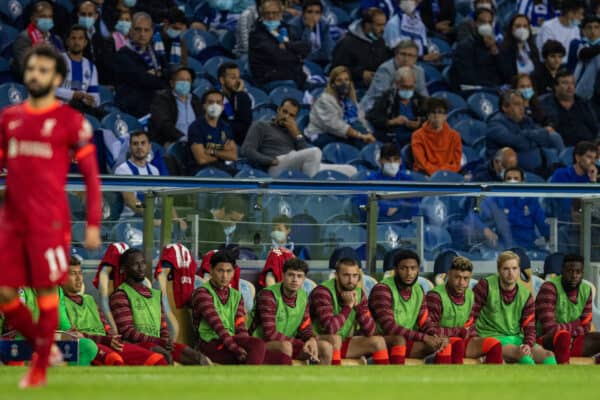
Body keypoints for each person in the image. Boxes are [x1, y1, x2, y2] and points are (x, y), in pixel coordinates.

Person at [0, 45, 102, 388]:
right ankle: (45, 346)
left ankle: (40, 367)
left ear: (57, 79)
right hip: (12, 219)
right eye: (32, 69)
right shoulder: (9, 118)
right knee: (4, 291)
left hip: (50, 221)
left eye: (44, 70)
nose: (36, 75)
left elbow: (90, 175)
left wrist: (92, 224)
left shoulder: (71, 121)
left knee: (45, 291)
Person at [109, 248, 212, 365]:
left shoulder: (155, 295)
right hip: (137, 345)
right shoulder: (121, 295)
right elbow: (127, 332)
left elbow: (163, 327)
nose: (141, 268)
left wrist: (165, 340)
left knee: (198, 358)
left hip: (158, 343)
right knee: (164, 356)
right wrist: (159, 341)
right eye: (135, 264)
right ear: (123, 269)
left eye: (143, 263)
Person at [62, 256, 169, 366]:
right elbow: (71, 335)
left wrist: (112, 337)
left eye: (80, 273)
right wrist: (105, 340)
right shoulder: (59, 301)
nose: (79, 278)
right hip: (91, 345)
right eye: (73, 274)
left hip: (109, 343)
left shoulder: (89, 299)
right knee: (115, 361)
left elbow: (106, 326)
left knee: (157, 360)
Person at [470, 251, 557, 364]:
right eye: (506, 269)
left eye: (514, 268)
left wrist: (528, 344)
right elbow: (470, 316)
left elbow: (530, 327)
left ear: (519, 270)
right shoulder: (485, 286)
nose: (511, 273)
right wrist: (476, 341)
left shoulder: (525, 295)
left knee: (548, 355)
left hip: (516, 339)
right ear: (499, 270)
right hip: (490, 338)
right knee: (521, 355)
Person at [243, 97, 357, 177]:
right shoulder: (261, 125)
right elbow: (247, 150)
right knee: (315, 152)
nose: (286, 117)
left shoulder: (294, 131)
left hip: (297, 165)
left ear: (295, 118)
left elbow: (305, 153)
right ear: (278, 110)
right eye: (284, 112)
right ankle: (309, 194)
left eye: (291, 115)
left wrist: (296, 133)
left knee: (351, 170)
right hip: (276, 166)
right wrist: (270, 161)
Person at [369, 250, 448, 364]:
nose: (409, 273)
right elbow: (390, 327)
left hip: (408, 339)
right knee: (399, 340)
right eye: (404, 268)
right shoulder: (383, 289)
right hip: (383, 340)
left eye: (413, 268)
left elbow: (424, 321)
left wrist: (435, 336)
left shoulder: (418, 290)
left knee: (443, 343)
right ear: (395, 270)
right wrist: (424, 337)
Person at [310, 253, 390, 365]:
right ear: (336, 275)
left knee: (378, 341)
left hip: (342, 341)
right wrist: (348, 307)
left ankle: (384, 380)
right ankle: (335, 378)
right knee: (335, 338)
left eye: (354, 276)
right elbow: (331, 328)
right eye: (346, 275)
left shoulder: (359, 293)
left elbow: (370, 331)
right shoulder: (323, 292)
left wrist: (358, 307)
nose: (351, 280)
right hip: (317, 341)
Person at [191, 251, 270, 364]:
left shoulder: (236, 295)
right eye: (220, 271)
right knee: (257, 346)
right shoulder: (202, 293)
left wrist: (244, 345)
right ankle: (250, 381)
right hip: (210, 345)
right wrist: (236, 349)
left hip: (231, 342)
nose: (225, 276)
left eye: (229, 271)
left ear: (234, 272)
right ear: (211, 270)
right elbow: (218, 326)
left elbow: (241, 327)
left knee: (280, 357)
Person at [424, 256, 504, 364]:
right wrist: (458, 331)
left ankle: (491, 379)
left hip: (461, 340)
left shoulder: (470, 295)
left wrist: (473, 334)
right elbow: (430, 330)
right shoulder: (435, 296)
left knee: (494, 344)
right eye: (457, 277)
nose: (461, 282)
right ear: (449, 274)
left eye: (466, 278)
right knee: (458, 344)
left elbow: (470, 325)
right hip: (440, 342)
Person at [252, 258, 333, 364]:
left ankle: (318, 380)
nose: (295, 280)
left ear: (304, 279)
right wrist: (300, 343)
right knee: (286, 347)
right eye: (291, 275)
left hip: (289, 343)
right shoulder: (268, 295)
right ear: (283, 275)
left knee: (325, 347)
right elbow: (270, 334)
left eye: (299, 276)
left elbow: (305, 328)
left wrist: (311, 340)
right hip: (261, 343)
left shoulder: (303, 297)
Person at [535, 254, 600, 364]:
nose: (574, 275)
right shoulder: (549, 288)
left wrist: (572, 332)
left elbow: (586, 326)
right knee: (562, 336)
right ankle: (564, 368)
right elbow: (549, 328)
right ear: (562, 271)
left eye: (578, 272)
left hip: (574, 341)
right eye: (570, 271)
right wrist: (575, 324)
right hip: (547, 341)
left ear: (582, 273)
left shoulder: (586, 290)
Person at [466, 167, 550, 250]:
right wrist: (484, 229)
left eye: (516, 178)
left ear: (522, 182)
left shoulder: (531, 200)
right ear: (504, 181)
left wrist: (549, 239)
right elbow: (474, 215)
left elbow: (543, 224)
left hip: (528, 247)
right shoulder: (496, 198)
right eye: (508, 178)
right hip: (503, 247)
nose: (512, 181)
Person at [485, 90, 565, 172]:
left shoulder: (525, 120)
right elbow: (518, 143)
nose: (521, 108)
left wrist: (525, 134)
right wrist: (533, 138)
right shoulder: (495, 124)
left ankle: (564, 169)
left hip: (535, 164)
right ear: (505, 107)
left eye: (522, 104)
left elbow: (543, 136)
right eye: (517, 104)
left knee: (554, 136)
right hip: (508, 169)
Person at [305, 66, 376, 149]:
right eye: (339, 80)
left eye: (346, 80)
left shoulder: (350, 100)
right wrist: (361, 135)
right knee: (354, 144)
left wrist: (367, 133)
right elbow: (335, 125)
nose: (344, 83)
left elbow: (360, 118)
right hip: (321, 133)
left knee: (366, 141)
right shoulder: (324, 100)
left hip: (342, 133)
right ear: (332, 84)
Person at [114, 12, 168, 118]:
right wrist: (157, 75)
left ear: (152, 32)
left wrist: (155, 75)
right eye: (138, 29)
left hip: (154, 103)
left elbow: (167, 74)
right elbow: (141, 79)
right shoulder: (123, 54)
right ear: (130, 30)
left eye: (146, 30)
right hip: (132, 107)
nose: (142, 34)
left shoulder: (156, 53)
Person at [248, 0, 310, 90]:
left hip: (293, 75)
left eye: (274, 13)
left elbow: (306, 47)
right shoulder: (256, 34)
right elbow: (278, 56)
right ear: (261, 14)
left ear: (281, 13)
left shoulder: (287, 28)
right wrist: (296, 54)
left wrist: (288, 46)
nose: (271, 16)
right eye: (267, 13)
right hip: (269, 79)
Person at [360, 40, 427, 113]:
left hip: (401, 107)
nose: (406, 59)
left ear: (416, 59)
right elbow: (382, 97)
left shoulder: (419, 71)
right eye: (403, 54)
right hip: (373, 108)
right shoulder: (386, 69)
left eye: (411, 55)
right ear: (396, 54)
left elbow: (424, 96)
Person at [331, 8, 391, 88]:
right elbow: (336, 69)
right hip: (352, 86)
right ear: (367, 25)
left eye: (384, 25)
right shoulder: (347, 43)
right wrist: (361, 74)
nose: (383, 29)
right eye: (379, 25)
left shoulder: (380, 41)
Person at [366, 66, 426, 146]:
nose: (408, 90)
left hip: (415, 140)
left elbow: (429, 118)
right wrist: (391, 122)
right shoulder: (387, 98)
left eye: (411, 87)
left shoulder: (419, 99)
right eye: (404, 87)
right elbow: (372, 116)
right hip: (391, 140)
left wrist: (419, 123)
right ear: (397, 84)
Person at [538, 69, 600, 147]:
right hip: (561, 147)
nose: (570, 87)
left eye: (572, 83)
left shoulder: (583, 103)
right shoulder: (545, 104)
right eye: (565, 83)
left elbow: (595, 126)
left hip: (587, 146)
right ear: (555, 86)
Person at [187, 89, 238, 175]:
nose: (215, 105)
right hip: (201, 171)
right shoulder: (196, 127)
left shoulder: (225, 126)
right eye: (211, 102)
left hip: (221, 168)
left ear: (222, 106)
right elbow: (201, 160)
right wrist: (223, 155)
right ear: (204, 106)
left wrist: (212, 152)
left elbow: (233, 156)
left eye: (218, 102)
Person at [450, 7, 503, 89]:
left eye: (489, 22)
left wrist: (495, 51)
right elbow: (468, 77)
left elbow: (504, 74)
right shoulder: (464, 47)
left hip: (493, 88)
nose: (486, 26)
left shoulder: (497, 47)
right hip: (473, 90)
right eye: (482, 22)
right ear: (474, 24)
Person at [149, 65, 201, 147]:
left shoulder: (195, 99)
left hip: (196, 143)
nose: (185, 83)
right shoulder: (161, 99)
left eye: (188, 80)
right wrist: (183, 138)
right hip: (173, 142)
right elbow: (163, 124)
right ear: (172, 83)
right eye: (181, 80)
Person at [55, 25, 101, 116]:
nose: (76, 42)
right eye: (73, 38)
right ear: (67, 41)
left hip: (82, 110)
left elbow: (96, 97)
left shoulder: (91, 67)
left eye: (80, 38)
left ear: (85, 42)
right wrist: (72, 94)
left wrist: (91, 100)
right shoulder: (58, 61)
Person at [12, 1, 64, 78]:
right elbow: (25, 69)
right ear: (32, 19)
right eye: (43, 16)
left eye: (50, 16)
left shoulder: (57, 40)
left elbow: (64, 65)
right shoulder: (24, 38)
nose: (47, 20)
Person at [411, 97, 462, 176]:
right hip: (425, 174)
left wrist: (443, 173)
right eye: (433, 112)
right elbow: (421, 163)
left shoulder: (455, 136)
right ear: (428, 115)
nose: (436, 116)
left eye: (440, 112)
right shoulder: (417, 136)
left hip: (449, 175)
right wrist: (439, 174)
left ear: (445, 116)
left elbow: (456, 163)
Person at [549, 141, 597, 221]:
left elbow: (595, 209)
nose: (593, 162)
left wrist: (593, 181)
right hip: (564, 223)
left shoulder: (592, 177)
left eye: (594, 158)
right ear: (577, 157)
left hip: (588, 223)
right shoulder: (561, 174)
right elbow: (564, 207)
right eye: (589, 157)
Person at [288, 0, 334, 67]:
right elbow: (301, 52)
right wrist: (308, 28)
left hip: (322, 61)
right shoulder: (294, 26)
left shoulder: (324, 24)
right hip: (302, 63)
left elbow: (327, 52)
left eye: (317, 12)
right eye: (309, 12)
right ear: (303, 13)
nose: (313, 15)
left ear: (321, 14)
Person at [76, 1, 112, 84]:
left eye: (90, 14)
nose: (86, 17)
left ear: (96, 16)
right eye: (83, 14)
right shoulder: (72, 36)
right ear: (78, 15)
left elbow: (105, 64)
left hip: (100, 82)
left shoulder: (100, 38)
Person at [217, 62, 253, 146]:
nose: (238, 81)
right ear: (222, 80)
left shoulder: (241, 96)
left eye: (238, 77)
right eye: (233, 78)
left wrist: (240, 93)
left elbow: (246, 122)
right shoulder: (215, 99)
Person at [499, 14, 540, 83]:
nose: (522, 29)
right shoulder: (504, 50)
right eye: (518, 26)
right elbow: (506, 75)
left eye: (525, 26)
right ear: (511, 29)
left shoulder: (533, 49)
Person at [258, 215, 296, 287]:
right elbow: (262, 264)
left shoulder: (295, 248)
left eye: (279, 230)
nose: (275, 232)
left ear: (288, 230)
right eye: (274, 229)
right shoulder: (266, 247)